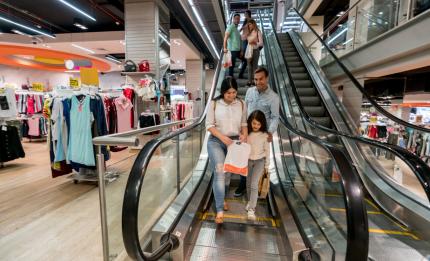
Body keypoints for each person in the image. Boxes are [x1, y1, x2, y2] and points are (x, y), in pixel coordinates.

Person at [206, 76, 248, 224]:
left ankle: (222, 197)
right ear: (223, 92)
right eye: (228, 93)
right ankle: (219, 210)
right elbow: (209, 125)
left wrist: (244, 134)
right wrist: (223, 138)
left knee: (228, 173)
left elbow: (244, 123)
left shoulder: (241, 104)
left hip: (234, 142)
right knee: (219, 172)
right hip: (216, 141)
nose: (231, 95)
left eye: (234, 92)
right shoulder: (214, 104)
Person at [234, 67, 280, 197]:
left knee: (258, 159)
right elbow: (245, 111)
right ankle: (243, 184)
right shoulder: (249, 92)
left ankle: (256, 185)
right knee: (244, 158)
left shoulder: (274, 98)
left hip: (261, 135)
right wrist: (242, 128)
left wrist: (270, 132)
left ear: (267, 78)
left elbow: (276, 117)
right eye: (256, 79)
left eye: (261, 79)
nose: (258, 82)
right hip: (247, 132)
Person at [245, 110, 270, 220]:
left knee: (254, 184)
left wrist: (267, 165)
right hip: (248, 161)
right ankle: (250, 201)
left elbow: (267, 151)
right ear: (250, 122)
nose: (256, 126)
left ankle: (252, 209)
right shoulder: (247, 134)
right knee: (248, 182)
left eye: (258, 124)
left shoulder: (264, 135)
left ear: (262, 124)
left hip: (260, 161)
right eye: (254, 123)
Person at [245, 19, 263, 86]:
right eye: (248, 25)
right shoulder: (249, 32)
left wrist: (255, 42)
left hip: (255, 50)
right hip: (249, 51)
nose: (249, 26)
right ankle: (249, 81)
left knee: (254, 67)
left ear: (253, 24)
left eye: (250, 24)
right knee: (249, 67)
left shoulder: (258, 32)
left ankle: (255, 81)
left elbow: (261, 43)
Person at [223, 13, 242, 78]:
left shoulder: (237, 29)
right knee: (231, 66)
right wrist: (225, 48)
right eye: (236, 19)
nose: (237, 20)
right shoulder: (230, 27)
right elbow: (225, 37)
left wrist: (241, 50)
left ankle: (240, 75)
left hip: (237, 50)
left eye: (238, 19)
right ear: (233, 19)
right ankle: (231, 80)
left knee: (245, 60)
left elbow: (239, 40)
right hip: (231, 50)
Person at [238, 10, 252, 79]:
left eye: (246, 14)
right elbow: (241, 29)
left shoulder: (251, 21)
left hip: (248, 40)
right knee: (243, 56)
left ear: (249, 14)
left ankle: (240, 74)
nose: (245, 15)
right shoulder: (245, 21)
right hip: (243, 40)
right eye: (244, 14)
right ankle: (241, 71)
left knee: (246, 58)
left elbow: (252, 30)